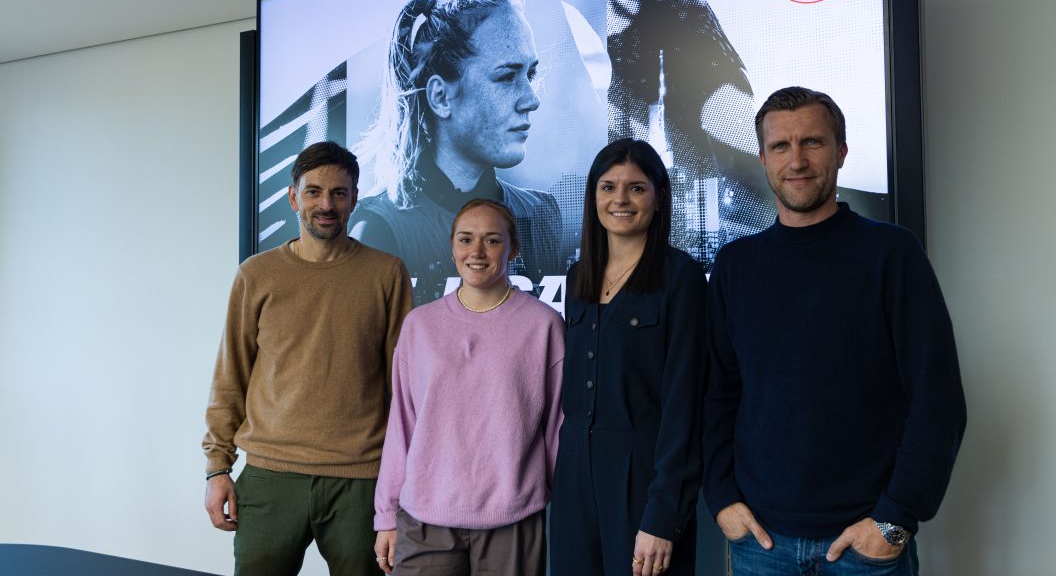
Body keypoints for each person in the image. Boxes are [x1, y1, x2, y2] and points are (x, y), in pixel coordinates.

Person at [702, 87, 967, 575]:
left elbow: (938, 397)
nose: (797, 160)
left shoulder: (892, 254)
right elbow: (717, 396)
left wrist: (895, 518)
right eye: (780, 146)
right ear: (762, 158)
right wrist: (720, 497)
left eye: (813, 142)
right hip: (760, 544)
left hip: (865, 546)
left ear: (841, 151)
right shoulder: (737, 265)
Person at [202, 141, 412, 576]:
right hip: (270, 476)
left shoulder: (386, 273)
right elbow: (231, 376)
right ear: (294, 197)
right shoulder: (256, 275)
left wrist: (399, 486)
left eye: (339, 192)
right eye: (314, 191)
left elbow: (403, 387)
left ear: (355, 198)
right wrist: (216, 467)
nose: (326, 204)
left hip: (360, 480)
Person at [372, 198, 564, 575]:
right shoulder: (419, 326)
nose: (476, 251)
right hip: (425, 516)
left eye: (492, 240)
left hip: (513, 518)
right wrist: (386, 515)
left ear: (514, 248)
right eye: (465, 239)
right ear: (452, 246)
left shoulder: (543, 325)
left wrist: (560, 506)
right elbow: (402, 428)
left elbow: (557, 430)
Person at [550, 139, 707, 576]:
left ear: (659, 199)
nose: (620, 199)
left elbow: (684, 404)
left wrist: (664, 512)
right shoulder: (578, 276)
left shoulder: (683, 278)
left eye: (636, 188)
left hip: (645, 472)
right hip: (575, 474)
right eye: (607, 187)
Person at [351, 0, 564, 306]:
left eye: (530, 74)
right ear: (441, 97)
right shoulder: (380, 230)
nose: (531, 100)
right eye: (507, 77)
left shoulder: (541, 216)